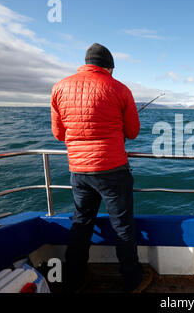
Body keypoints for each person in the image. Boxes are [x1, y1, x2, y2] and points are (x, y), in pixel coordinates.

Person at [51, 43, 151, 292]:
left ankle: (73, 278)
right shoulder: (119, 88)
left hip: (79, 170)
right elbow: (133, 132)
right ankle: (131, 280)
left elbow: (58, 134)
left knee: (81, 223)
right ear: (109, 67)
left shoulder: (59, 87)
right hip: (113, 170)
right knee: (123, 227)